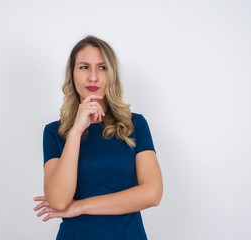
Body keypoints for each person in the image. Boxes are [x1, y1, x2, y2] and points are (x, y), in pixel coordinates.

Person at [33, 35, 163, 239]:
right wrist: (76, 131)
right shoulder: (54, 133)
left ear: (112, 75)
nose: (93, 77)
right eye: (84, 67)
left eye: (102, 67)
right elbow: (58, 201)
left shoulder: (134, 125)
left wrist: (79, 207)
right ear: (72, 74)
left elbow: (152, 194)